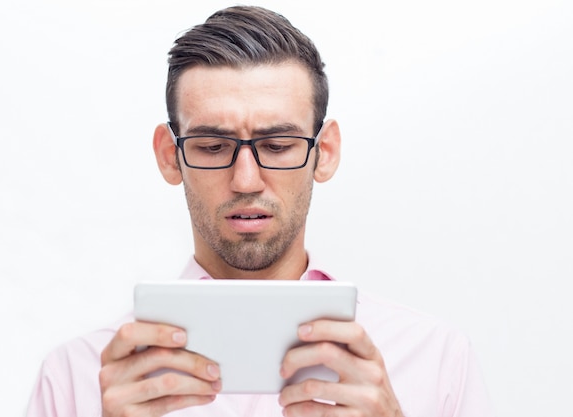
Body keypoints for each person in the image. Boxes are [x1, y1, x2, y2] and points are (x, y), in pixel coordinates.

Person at [26, 5, 494, 417]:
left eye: (277, 144)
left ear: (324, 152)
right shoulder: (76, 377)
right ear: (170, 156)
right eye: (211, 146)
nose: (246, 181)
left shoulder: (435, 359)